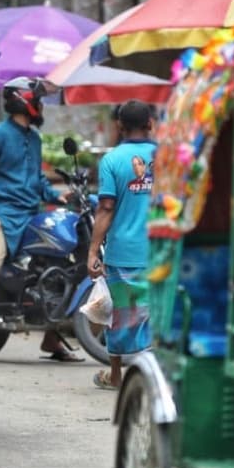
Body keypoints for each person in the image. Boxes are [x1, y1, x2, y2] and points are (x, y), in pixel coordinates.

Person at [0, 77, 79, 363]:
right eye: (37, 100)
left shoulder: (34, 138)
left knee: (56, 261)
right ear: (25, 101)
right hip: (1, 216)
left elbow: (36, 178)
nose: (41, 105)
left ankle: (51, 337)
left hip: (30, 214)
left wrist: (57, 195)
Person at [86, 100, 156, 390]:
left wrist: (92, 250)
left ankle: (116, 376)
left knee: (121, 315)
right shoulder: (166, 156)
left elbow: (105, 207)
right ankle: (156, 375)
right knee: (158, 313)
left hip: (123, 253)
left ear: (119, 125)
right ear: (150, 123)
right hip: (162, 250)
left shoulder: (113, 160)